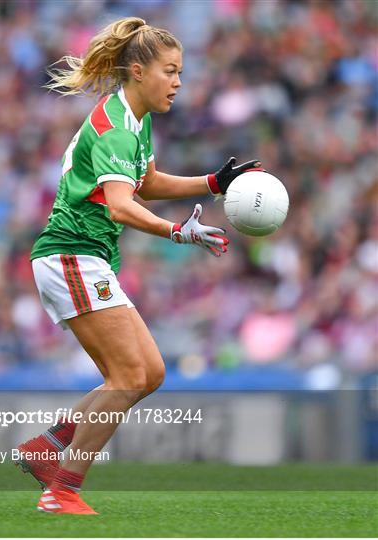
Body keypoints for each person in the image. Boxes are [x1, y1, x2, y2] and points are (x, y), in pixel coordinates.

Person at [16, 17, 261, 515]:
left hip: (85, 259)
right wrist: (178, 232)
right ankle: (60, 490)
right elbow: (122, 206)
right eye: (170, 71)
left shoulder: (135, 119)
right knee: (128, 376)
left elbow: (145, 184)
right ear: (137, 71)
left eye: (180, 73)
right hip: (70, 257)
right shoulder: (117, 130)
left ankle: (47, 448)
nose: (178, 82)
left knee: (148, 374)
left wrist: (213, 182)